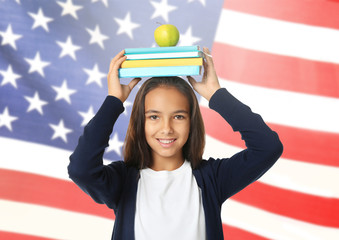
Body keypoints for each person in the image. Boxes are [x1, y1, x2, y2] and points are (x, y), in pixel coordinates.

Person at [68, 47, 283, 240]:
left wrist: (216, 95)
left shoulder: (212, 179)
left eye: (178, 116)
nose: (166, 128)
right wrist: (114, 101)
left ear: (192, 122)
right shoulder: (123, 181)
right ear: (140, 122)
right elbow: (81, 169)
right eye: (154, 117)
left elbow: (267, 147)